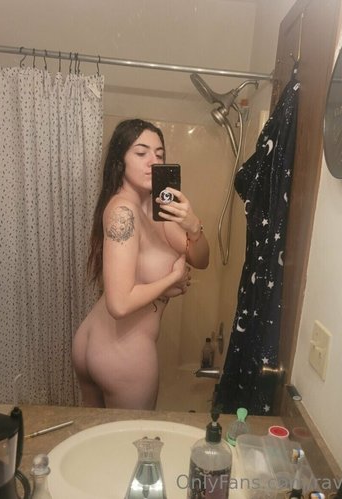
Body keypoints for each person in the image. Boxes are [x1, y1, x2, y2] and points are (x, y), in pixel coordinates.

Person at [72, 119, 209, 409]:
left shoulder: (155, 208)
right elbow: (119, 304)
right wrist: (171, 280)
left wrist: (194, 227)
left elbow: (201, 259)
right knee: (132, 437)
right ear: (120, 160)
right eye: (141, 153)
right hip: (123, 352)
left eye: (159, 154)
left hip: (95, 341)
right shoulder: (124, 211)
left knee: (99, 435)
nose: (153, 162)